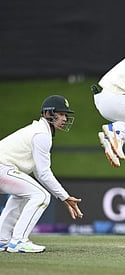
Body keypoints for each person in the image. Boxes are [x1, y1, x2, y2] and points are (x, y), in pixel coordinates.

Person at [0, 95, 84, 253]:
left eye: (66, 115)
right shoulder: (41, 134)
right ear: (48, 114)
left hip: (4, 169)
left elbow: (39, 172)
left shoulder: (39, 131)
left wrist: (63, 196)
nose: (65, 118)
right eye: (61, 114)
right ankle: (19, 241)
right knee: (41, 196)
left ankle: (2, 239)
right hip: (2, 168)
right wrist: (65, 197)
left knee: (23, 195)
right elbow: (44, 173)